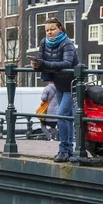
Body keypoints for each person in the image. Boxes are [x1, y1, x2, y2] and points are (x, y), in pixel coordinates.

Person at [31, 17, 78, 163]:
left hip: (71, 84)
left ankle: (64, 150)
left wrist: (45, 63)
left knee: (62, 115)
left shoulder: (67, 44)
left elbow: (67, 63)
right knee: (67, 117)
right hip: (58, 83)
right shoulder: (44, 42)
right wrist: (36, 64)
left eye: (52, 29)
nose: (49, 32)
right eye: (47, 30)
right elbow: (42, 60)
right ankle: (69, 150)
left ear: (60, 28)